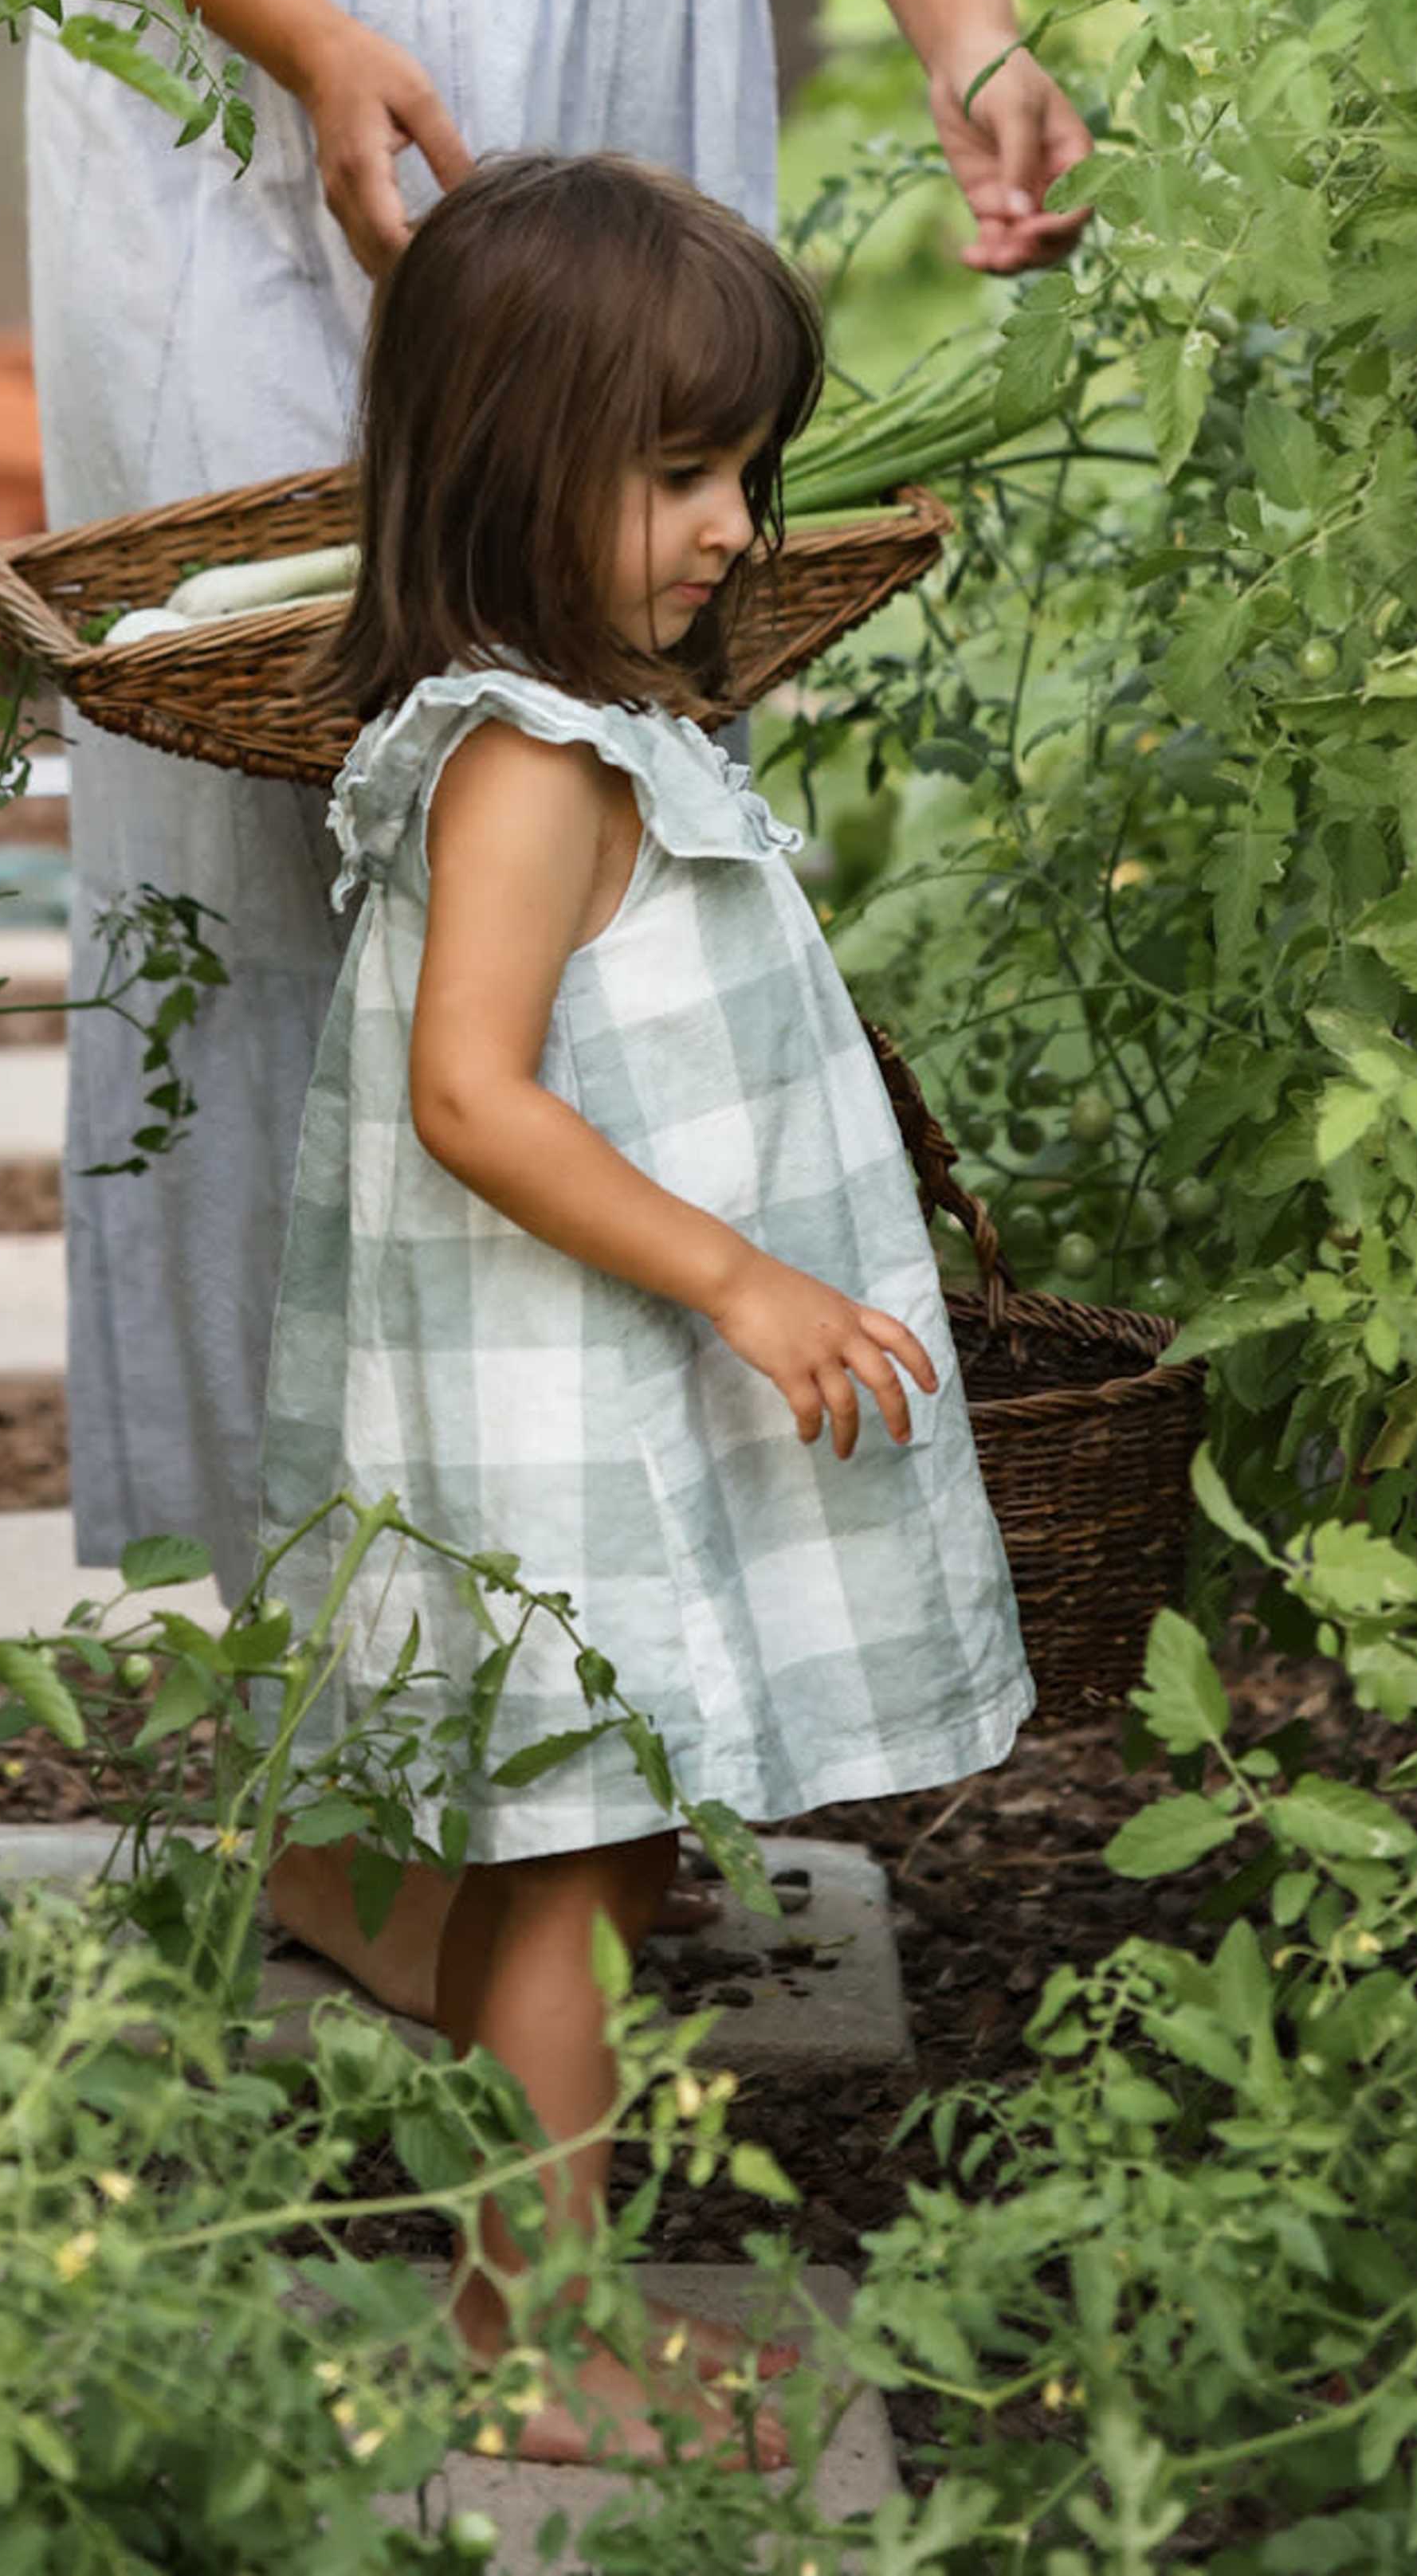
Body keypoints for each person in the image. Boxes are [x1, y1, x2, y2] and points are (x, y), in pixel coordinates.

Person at [0, 0, 1084, 2010]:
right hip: (279, 124)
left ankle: (584, 1675)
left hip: (622, 160)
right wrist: (313, 36)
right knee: (282, 846)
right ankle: (344, 1730)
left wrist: (978, 29)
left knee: (580, 858)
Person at [260, 154, 1033, 2464]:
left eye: (745, 471)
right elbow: (475, 1096)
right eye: (677, 471)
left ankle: (536, 2276)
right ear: (517, 468)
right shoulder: (524, 760)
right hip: (561, 1396)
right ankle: (535, 2339)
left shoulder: (571, 718)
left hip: (573, 1384)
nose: (728, 524)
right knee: (578, 1861)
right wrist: (737, 1269)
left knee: (587, 1843)